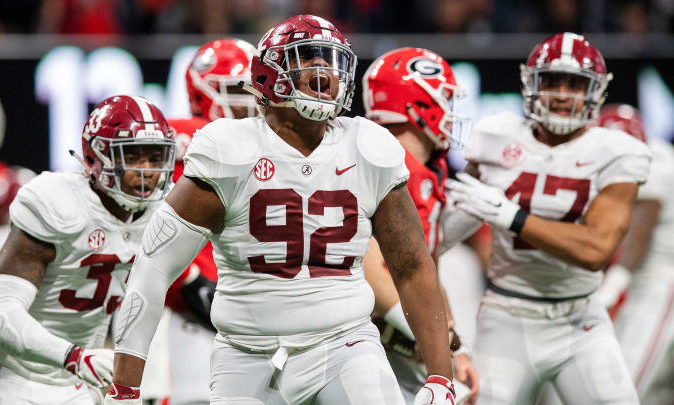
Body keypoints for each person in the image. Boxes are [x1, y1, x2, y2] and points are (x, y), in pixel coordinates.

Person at [104, 14, 455, 405]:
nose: (324, 69)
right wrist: (125, 387)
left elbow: (413, 266)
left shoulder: (369, 147)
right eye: (308, 57)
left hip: (345, 343)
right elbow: (153, 267)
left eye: (331, 59)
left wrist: (442, 377)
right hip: (245, 352)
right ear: (270, 75)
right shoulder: (229, 149)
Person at [445, 33, 651, 404]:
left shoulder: (616, 152)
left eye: (574, 84)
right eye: (551, 81)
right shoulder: (495, 137)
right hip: (508, 314)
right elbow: (440, 235)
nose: (560, 93)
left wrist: (511, 216)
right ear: (531, 84)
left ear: (595, 91)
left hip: (580, 319)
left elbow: (595, 249)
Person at [0, 95, 176, 404]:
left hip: (74, 379)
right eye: (133, 157)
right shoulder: (58, 204)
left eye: (155, 158)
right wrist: (76, 357)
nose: (147, 171)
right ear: (96, 158)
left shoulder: (163, 216)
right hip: (4, 370)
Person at [361, 46, 479, 404]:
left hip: (393, 328)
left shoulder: (427, 172)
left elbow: (425, 270)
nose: (451, 111)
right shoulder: (382, 162)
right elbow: (367, 264)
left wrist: (453, 344)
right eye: (444, 98)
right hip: (356, 332)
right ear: (416, 104)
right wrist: (432, 339)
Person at [163, 37, 259, 405]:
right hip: (191, 309)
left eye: (255, 87)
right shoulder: (187, 134)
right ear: (204, 92)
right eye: (239, 88)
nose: (252, 99)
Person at [595, 104, 674, 405]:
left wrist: (608, 292)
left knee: (623, 389)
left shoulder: (655, 158)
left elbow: (641, 233)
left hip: (662, 284)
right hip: (642, 282)